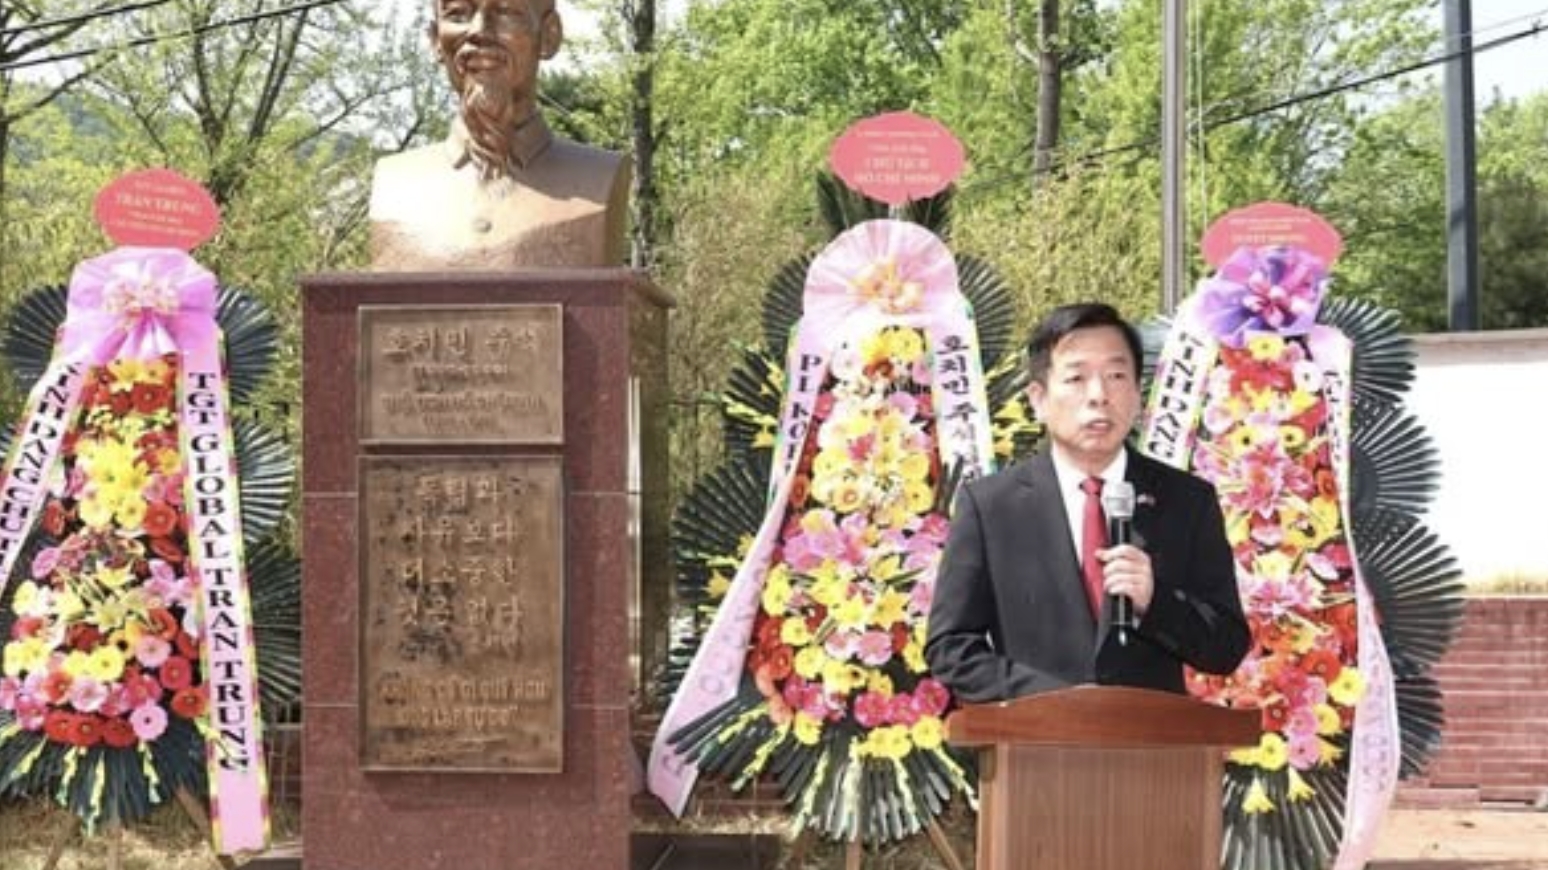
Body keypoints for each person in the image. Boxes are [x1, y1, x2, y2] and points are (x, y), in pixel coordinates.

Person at [924, 302, 1249, 702]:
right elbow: (951, 648)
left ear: (1135, 394)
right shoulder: (991, 506)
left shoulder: (1187, 500)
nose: (1098, 395)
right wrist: (1056, 700)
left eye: (1115, 376)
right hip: (1035, 750)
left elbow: (1227, 648)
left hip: (1155, 752)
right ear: (1039, 399)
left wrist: (1155, 601)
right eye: (1077, 378)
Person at [369, 0, 629, 270]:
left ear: (549, 35)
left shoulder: (599, 178)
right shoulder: (394, 183)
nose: (479, 31)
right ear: (435, 39)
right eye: (458, 13)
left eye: (506, 11)